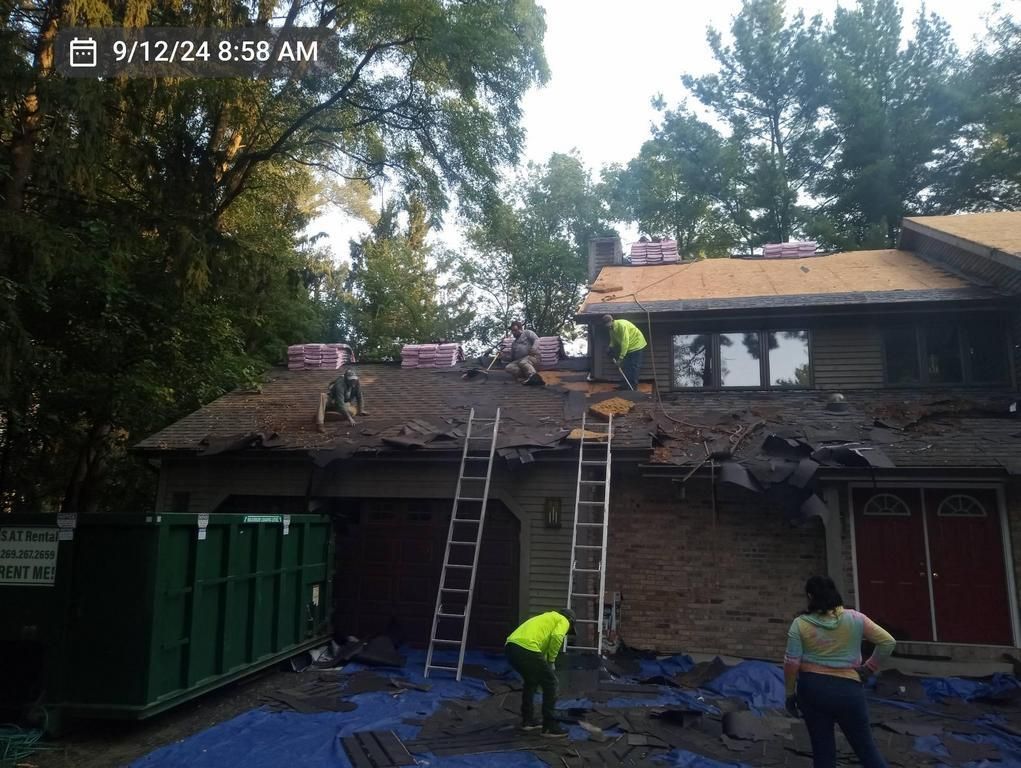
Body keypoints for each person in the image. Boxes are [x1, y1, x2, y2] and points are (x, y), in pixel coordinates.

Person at [784, 576, 896, 768]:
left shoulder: (800, 624)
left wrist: (790, 694)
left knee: (823, 753)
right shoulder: (856, 619)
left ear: (810, 596)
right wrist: (869, 668)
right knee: (866, 750)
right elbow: (888, 642)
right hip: (848, 691)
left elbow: (792, 662)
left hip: (813, 690)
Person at [505, 608, 576, 738]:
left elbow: (538, 655)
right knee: (551, 683)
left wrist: (545, 664)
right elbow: (557, 636)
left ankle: (528, 721)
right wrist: (551, 661)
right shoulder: (563, 620)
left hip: (511, 648)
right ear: (570, 621)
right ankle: (550, 726)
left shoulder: (545, 618)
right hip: (527, 648)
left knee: (531, 681)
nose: (566, 633)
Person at [602, 314, 646, 390]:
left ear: (612, 321)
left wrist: (620, 358)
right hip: (628, 347)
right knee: (625, 366)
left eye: (608, 324)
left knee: (633, 367)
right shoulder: (611, 329)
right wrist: (609, 347)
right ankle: (624, 386)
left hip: (637, 344)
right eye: (606, 325)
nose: (608, 326)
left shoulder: (621, 325)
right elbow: (613, 341)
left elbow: (625, 342)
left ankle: (633, 388)